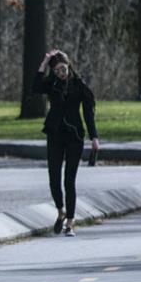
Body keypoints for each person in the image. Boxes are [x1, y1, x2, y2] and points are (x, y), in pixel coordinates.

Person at [33, 49, 99, 238]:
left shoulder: (79, 86)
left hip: (74, 136)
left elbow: (88, 114)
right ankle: (60, 211)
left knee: (69, 181)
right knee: (54, 178)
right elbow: (35, 87)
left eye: (64, 69)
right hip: (54, 134)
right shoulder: (51, 84)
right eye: (58, 71)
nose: (62, 73)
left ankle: (70, 222)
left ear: (69, 66)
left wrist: (94, 137)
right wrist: (44, 63)